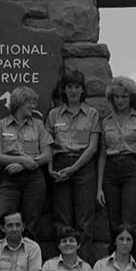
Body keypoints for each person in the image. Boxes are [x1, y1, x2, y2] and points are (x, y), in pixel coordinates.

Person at [46, 70, 100, 261]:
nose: (73, 91)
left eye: (77, 87)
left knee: (84, 221)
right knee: (62, 220)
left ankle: (84, 270)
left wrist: (74, 168)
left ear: (82, 89)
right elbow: (48, 145)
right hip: (59, 165)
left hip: (83, 166)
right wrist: (50, 168)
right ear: (64, 90)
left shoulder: (92, 113)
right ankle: (63, 268)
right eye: (69, 87)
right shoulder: (53, 115)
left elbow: (93, 147)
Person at [0, 86, 53, 231]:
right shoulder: (1, 125)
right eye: (30, 102)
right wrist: (22, 161)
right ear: (18, 102)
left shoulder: (38, 125)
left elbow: (47, 155)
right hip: (10, 179)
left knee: (30, 224)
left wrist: (25, 165)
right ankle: (6, 252)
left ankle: (27, 253)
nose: (34, 106)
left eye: (34, 102)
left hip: (34, 178)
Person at [96, 75, 136, 233]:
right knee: (113, 221)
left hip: (131, 170)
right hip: (110, 171)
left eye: (124, 97)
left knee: (130, 221)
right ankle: (114, 256)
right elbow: (101, 156)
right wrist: (99, 188)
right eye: (116, 97)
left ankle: (132, 256)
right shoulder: (106, 121)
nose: (120, 100)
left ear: (131, 98)